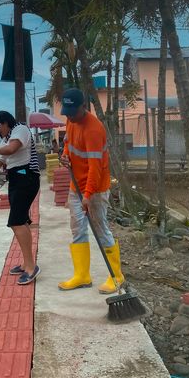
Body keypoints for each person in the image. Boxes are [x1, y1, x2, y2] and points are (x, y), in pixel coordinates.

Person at [58, 88, 124, 294]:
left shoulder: (94, 130)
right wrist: (65, 155)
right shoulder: (71, 120)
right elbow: (68, 143)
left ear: (83, 107)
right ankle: (82, 275)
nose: (69, 116)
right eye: (67, 112)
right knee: (77, 229)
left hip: (95, 189)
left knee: (100, 228)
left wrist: (87, 196)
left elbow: (96, 169)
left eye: (72, 112)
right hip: (76, 185)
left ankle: (116, 276)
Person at [0, 111, 41, 285]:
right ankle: (27, 262)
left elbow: (12, 149)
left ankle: (31, 267)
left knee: (16, 222)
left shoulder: (20, 130)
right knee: (21, 221)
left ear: (5, 122)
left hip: (26, 177)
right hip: (16, 179)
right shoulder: (5, 140)